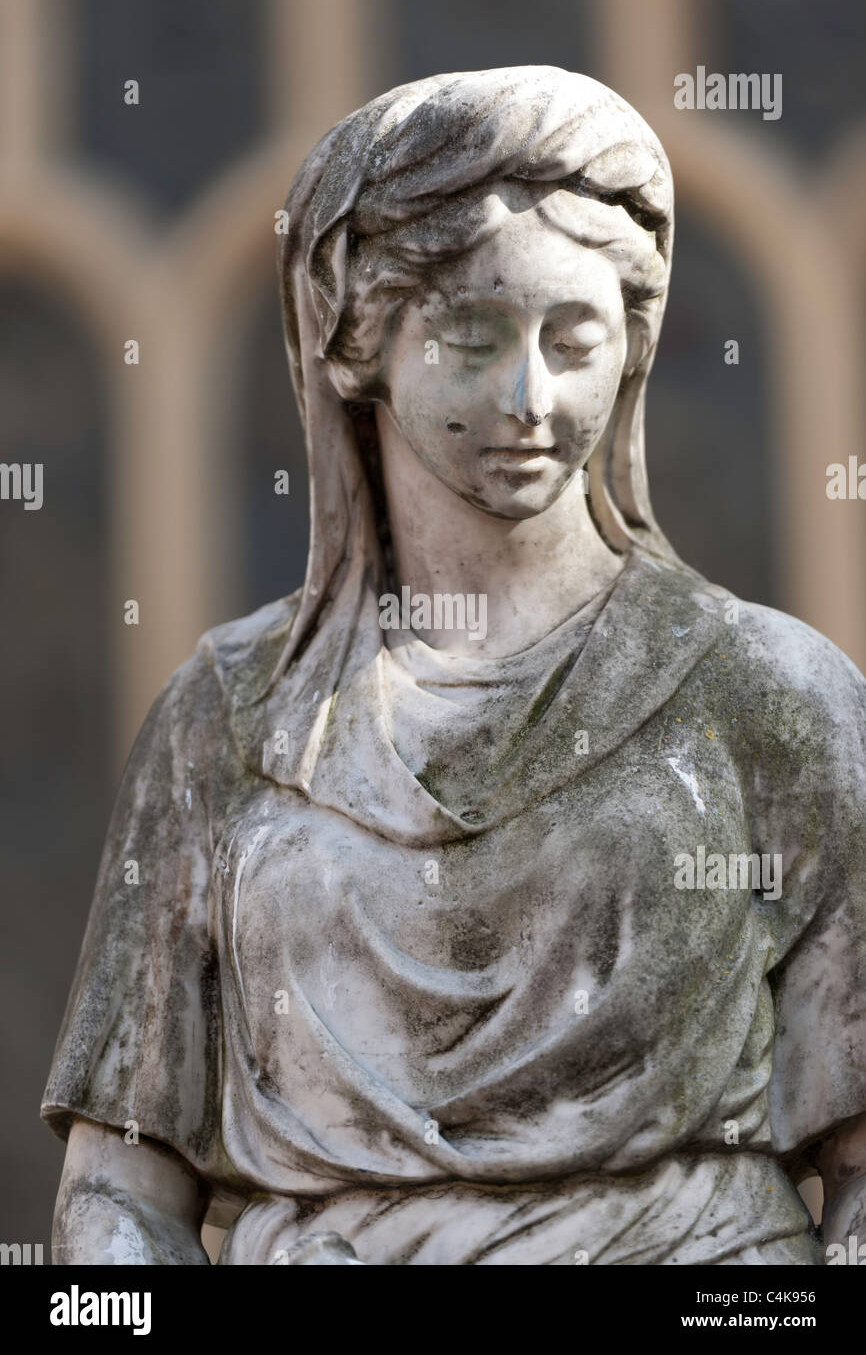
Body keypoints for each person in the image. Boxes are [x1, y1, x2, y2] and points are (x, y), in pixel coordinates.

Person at [43, 67, 866, 1265]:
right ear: (355, 344)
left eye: (572, 336)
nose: (529, 396)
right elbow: (114, 1190)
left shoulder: (768, 694)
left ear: (631, 345)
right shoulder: (227, 717)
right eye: (471, 337)